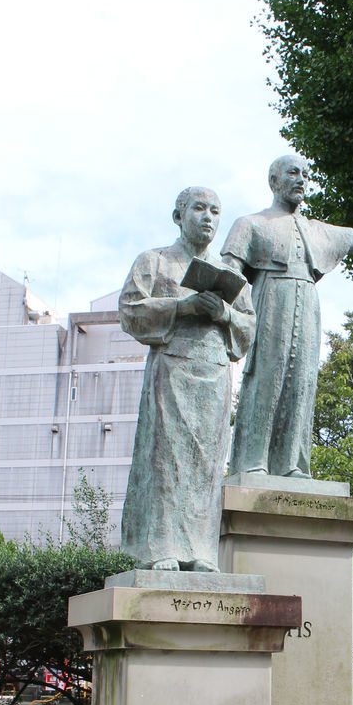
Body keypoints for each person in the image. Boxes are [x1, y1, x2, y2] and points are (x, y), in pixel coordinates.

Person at [220, 154, 353, 479]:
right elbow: (229, 269)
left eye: (305, 174)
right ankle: (253, 463)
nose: (301, 180)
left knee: (302, 382)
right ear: (274, 181)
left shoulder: (317, 230)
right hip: (269, 297)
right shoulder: (250, 224)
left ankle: (293, 464)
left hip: (308, 300)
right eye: (293, 173)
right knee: (266, 376)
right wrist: (232, 313)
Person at [119, 187, 255, 570]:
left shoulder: (231, 275)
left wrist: (224, 314)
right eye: (199, 208)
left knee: (208, 462)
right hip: (172, 366)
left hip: (214, 372)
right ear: (178, 215)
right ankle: (161, 548)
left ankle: (200, 551)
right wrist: (183, 307)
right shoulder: (155, 261)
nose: (208, 217)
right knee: (167, 457)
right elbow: (130, 309)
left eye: (215, 210)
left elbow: (248, 327)